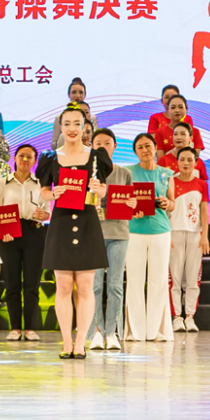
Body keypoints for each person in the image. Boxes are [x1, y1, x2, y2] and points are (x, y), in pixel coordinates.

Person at [37, 104, 112, 358]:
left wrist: (99, 189)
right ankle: (66, 342)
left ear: (84, 126)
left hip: (88, 222)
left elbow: (103, 190)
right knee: (64, 286)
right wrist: (53, 194)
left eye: (77, 124)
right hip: (60, 224)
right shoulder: (50, 157)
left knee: (86, 286)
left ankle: (81, 342)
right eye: (66, 124)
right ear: (60, 126)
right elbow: (44, 191)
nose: (71, 129)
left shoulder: (96, 157)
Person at [124, 133, 175, 342]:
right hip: (134, 231)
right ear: (135, 152)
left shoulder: (166, 174)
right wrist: (130, 209)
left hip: (161, 231)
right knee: (134, 280)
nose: (145, 150)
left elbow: (172, 202)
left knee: (159, 280)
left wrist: (167, 204)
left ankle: (157, 330)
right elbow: (121, 201)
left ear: (155, 147)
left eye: (148, 146)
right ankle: (135, 332)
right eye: (140, 147)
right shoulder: (127, 172)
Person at [0, 144, 48, 341]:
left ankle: (30, 328)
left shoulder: (41, 184)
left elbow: (47, 211)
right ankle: (15, 328)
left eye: (29, 157)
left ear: (35, 161)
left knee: (32, 284)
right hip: (9, 235)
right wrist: (3, 231)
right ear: (14, 158)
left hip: (34, 233)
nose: (25, 159)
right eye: (21, 156)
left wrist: (44, 215)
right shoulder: (2, 183)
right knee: (12, 283)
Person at [86, 129, 131, 351]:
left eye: (107, 143)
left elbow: (131, 200)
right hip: (94, 234)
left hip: (119, 234)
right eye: (98, 143)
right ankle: (96, 331)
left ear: (115, 146)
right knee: (94, 286)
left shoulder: (124, 173)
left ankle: (112, 332)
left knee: (115, 285)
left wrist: (132, 204)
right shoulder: (88, 173)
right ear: (91, 147)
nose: (102, 147)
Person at [168, 147, 210, 332]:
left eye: (190, 160)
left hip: (195, 235)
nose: (186, 163)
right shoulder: (170, 181)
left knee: (193, 279)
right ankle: (176, 316)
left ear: (196, 162)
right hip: (174, 233)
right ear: (177, 161)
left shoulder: (201, 184)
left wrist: (205, 236)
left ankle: (190, 316)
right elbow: (166, 210)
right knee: (174, 278)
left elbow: (204, 212)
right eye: (182, 159)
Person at [154, 94, 205, 160]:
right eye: (173, 107)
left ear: (186, 109)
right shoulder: (160, 132)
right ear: (168, 110)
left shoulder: (195, 132)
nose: (177, 110)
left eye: (180, 107)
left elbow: (195, 160)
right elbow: (161, 161)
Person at [49, 78, 88, 148]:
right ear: (68, 94)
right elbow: (54, 143)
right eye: (74, 92)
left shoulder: (91, 117)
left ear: (85, 95)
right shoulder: (59, 118)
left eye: (81, 92)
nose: (77, 96)